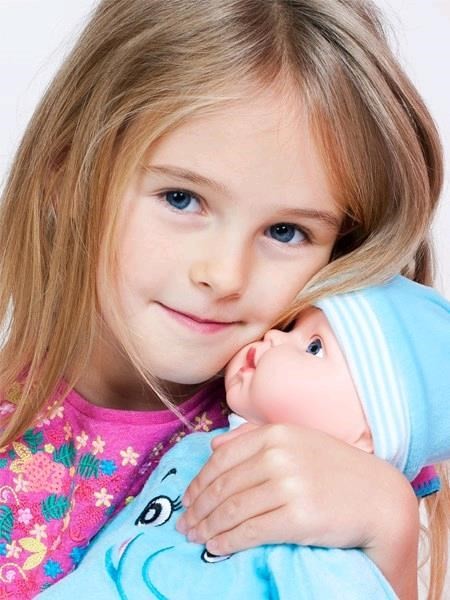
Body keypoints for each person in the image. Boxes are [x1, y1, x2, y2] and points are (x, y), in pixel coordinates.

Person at [0, 0, 446, 598]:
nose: (224, 275)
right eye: (181, 198)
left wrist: (388, 528)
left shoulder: (321, 424)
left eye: (286, 231)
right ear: (65, 174)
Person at [35, 275, 450, 600]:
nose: (274, 337)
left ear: (368, 437)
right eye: (292, 327)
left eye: (314, 347)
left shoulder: (311, 537)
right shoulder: (195, 447)